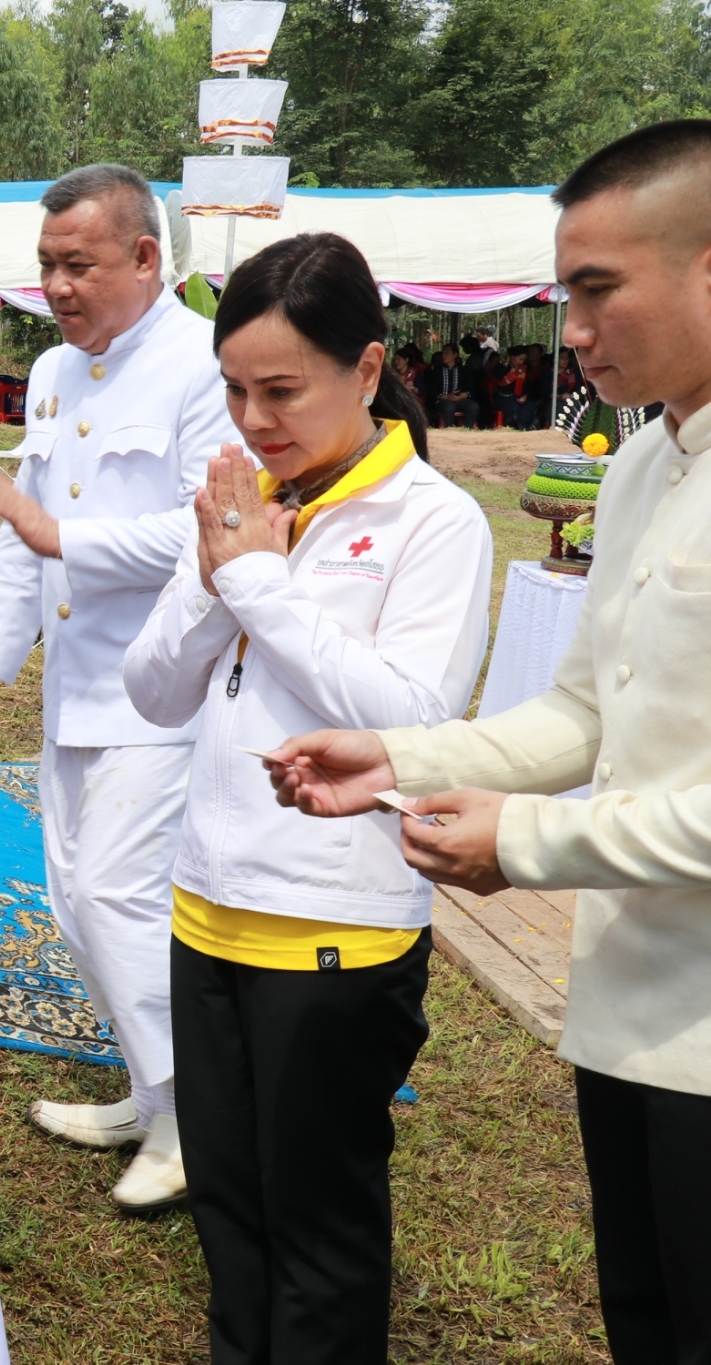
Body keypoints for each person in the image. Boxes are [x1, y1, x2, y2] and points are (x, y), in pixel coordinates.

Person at [265, 120, 711, 1365]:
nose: (568, 328)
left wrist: (524, 840)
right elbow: (581, 711)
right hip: (631, 1008)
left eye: (595, 289)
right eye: (564, 289)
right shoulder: (637, 467)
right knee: (649, 1320)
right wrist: (406, 761)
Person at [121, 233, 492, 1364]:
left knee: (318, 1222)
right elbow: (150, 688)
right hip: (205, 905)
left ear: (367, 371)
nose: (253, 418)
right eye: (233, 390)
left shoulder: (434, 521)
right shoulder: (248, 505)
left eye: (279, 389)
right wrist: (212, 568)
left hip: (335, 922)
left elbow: (409, 715)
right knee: (229, 1210)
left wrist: (255, 580)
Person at [0, 164, 236, 1212]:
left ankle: (195, 1115)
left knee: (117, 892)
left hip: (167, 685)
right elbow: (23, 552)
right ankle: (147, 1091)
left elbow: (210, 529)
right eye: (45, 266)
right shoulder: (53, 372)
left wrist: (55, 532)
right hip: (76, 688)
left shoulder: (205, 368)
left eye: (78, 265)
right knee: (72, 899)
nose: (55, 286)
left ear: (144, 259)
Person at [427, 345, 477, 428]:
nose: (443, 355)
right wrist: (446, 396)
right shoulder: (436, 371)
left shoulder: (463, 371)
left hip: (460, 400)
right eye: (443, 353)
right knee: (449, 406)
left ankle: (467, 430)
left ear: (455, 355)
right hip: (442, 401)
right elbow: (431, 391)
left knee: (473, 406)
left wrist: (462, 395)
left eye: (447, 353)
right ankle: (449, 429)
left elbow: (471, 389)